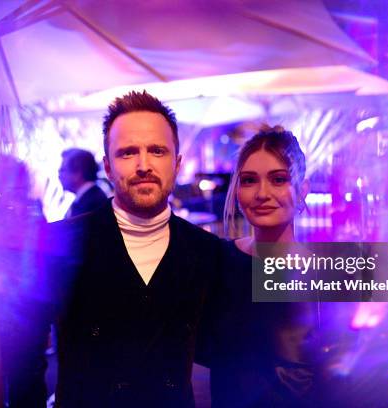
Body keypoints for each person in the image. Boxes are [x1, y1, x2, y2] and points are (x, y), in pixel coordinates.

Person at [46, 91, 222, 407]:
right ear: (108, 167)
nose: (144, 165)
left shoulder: (209, 252)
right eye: (128, 153)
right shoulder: (58, 243)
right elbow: (21, 355)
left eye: (157, 151)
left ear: (177, 163)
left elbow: (246, 341)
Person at [201, 125, 320, 407]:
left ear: (302, 189)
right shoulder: (219, 260)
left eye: (279, 179)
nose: (262, 193)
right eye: (249, 180)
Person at [58, 148, 108, 218]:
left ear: (77, 174)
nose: (59, 175)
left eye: (62, 170)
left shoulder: (91, 204)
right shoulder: (89, 198)